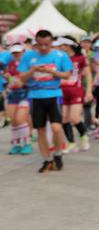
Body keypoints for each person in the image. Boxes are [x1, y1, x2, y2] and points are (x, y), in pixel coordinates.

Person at [18, 30, 73, 173]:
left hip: (54, 95)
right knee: (40, 130)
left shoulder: (60, 55)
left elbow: (67, 75)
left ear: (52, 42)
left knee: (56, 128)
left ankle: (58, 154)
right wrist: (33, 70)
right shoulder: (28, 56)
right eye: (40, 45)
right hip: (35, 97)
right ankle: (47, 160)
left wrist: (53, 73)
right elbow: (22, 78)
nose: (43, 48)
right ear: (36, 43)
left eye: (46, 45)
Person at [57, 37, 92, 152]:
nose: (60, 47)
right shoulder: (59, 58)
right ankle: (71, 143)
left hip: (76, 91)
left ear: (68, 45)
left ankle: (83, 136)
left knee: (74, 117)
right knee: (64, 119)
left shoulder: (80, 58)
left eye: (62, 44)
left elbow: (88, 75)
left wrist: (89, 91)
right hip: (62, 92)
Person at [4, 44, 32, 155]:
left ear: (23, 52)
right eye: (14, 53)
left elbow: (26, 80)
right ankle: (16, 145)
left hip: (25, 93)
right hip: (12, 94)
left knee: (20, 119)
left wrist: (19, 81)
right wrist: (9, 79)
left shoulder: (28, 64)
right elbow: (10, 79)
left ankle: (27, 143)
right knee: (14, 121)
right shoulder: (9, 64)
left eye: (18, 52)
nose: (16, 55)